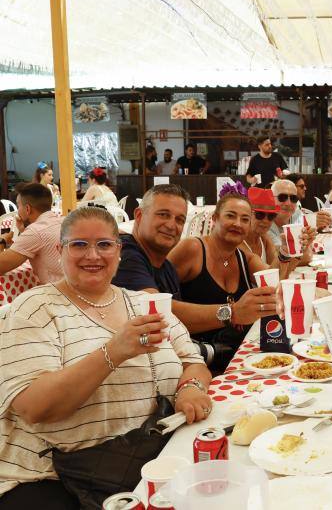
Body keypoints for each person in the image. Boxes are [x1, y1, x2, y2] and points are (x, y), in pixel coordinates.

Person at [0, 207, 212, 507]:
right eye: (79, 245)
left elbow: (193, 362)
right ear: (60, 250)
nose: (93, 256)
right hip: (53, 475)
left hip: (149, 457)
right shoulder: (34, 308)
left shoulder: (146, 303)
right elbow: (34, 407)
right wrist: (113, 352)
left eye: (104, 245)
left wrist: (190, 388)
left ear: (119, 251)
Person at [167, 193, 278, 372]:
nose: (237, 224)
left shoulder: (245, 258)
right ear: (215, 218)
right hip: (199, 361)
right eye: (230, 216)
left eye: (244, 219)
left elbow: (276, 284)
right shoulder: (192, 249)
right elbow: (161, 307)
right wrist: (232, 313)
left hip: (240, 357)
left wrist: (289, 253)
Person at [111, 184, 189, 297]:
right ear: (139, 216)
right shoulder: (124, 254)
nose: (171, 226)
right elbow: (156, 308)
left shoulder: (166, 267)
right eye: (163, 215)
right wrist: (222, 311)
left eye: (180, 220)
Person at [0, 182, 63, 283]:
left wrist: (2, 240)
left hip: (59, 294)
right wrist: (23, 231)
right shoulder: (62, 221)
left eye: (18, 205)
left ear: (28, 209)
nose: (18, 210)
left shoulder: (35, 232)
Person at [266, 179, 316, 266]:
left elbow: (306, 256)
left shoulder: (296, 214)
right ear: (270, 199)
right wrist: (305, 249)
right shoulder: (265, 223)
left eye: (293, 198)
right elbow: (279, 261)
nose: (288, 203)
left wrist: (306, 245)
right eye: (282, 197)